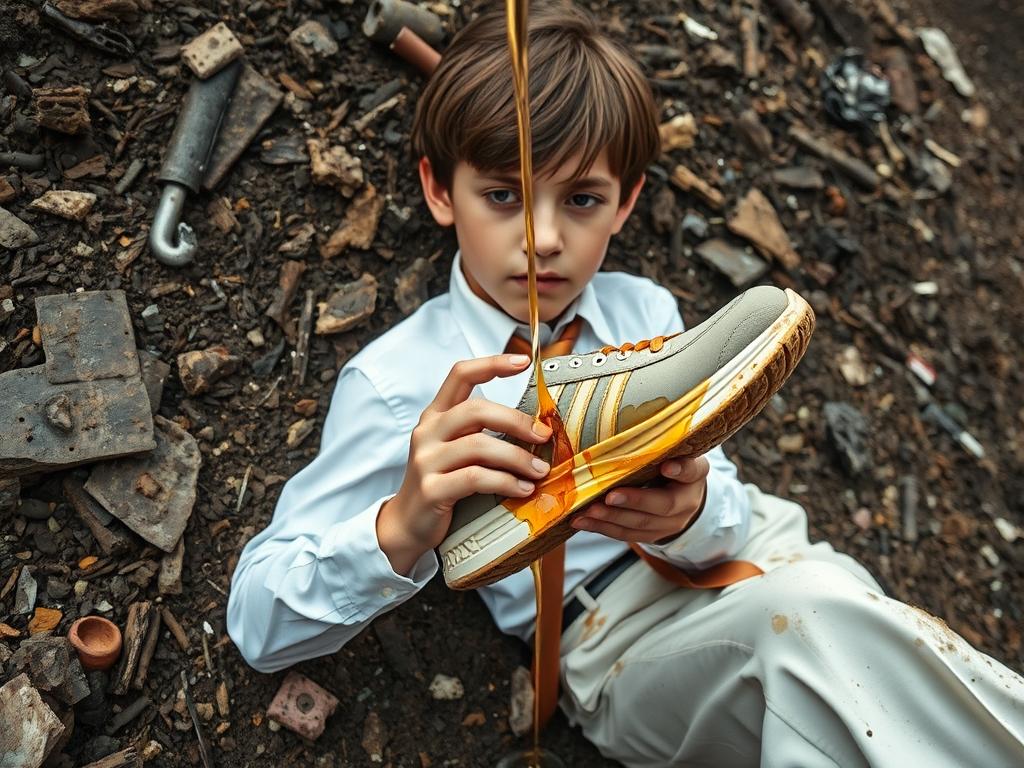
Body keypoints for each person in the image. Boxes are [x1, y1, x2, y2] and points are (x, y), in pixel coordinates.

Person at [226, 4, 1024, 765]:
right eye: (502, 195)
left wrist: (692, 510)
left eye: (582, 200)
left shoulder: (645, 309)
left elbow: (732, 512)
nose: (542, 238)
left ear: (626, 202)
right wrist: (400, 525)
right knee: (825, 640)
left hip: (770, 552)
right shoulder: (401, 383)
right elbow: (258, 625)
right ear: (440, 192)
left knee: (896, 665)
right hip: (617, 640)